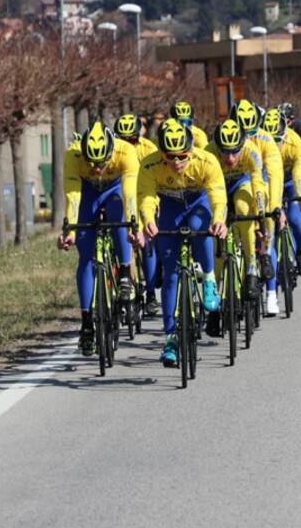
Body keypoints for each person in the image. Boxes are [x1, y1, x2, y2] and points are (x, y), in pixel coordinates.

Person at [138, 119, 227, 367]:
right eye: (171, 157)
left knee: (201, 228)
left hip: (198, 203)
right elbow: (145, 197)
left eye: (182, 156)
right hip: (169, 207)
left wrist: (219, 220)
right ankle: (170, 338)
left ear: (190, 150)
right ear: (161, 153)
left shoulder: (206, 161)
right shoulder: (150, 164)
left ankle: (208, 278)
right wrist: (147, 219)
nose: (177, 162)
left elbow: (218, 196)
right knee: (171, 275)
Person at [58, 121, 139, 357]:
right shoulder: (73, 156)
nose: (97, 168)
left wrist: (134, 225)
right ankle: (86, 323)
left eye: (102, 163)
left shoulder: (126, 152)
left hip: (115, 190)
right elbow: (73, 197)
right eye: (92, 163)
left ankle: (124, 273)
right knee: (85, 257)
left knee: (120, 215)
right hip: (88, 193)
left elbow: (130, 195)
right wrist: (69, 231)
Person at [205, 118, 266, 335]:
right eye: (225, 152)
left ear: (242, 146)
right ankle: (213, 306)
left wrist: (260, 214)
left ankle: (250, 265)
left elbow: (259, 184)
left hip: (241, 183)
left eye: (234, 152)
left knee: (243, 207)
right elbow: (204, 189)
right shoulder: (209, 152)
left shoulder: (252, 151)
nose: (230, 158)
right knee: (217, 244)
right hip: (216, 186)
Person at [231, 98, 285, 316]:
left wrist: (275, 208)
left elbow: (274, 175)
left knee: (267, 237)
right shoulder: (231, 138)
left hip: (262, 181)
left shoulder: (266, 140)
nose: (249, 135)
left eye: (252, 130)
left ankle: (272, 294)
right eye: (245, 131)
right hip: (238, 182)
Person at [115, 113, 159, 315]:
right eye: (122, 140)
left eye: (131, 139)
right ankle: (126, 286)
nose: (127, 144)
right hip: (123, 197)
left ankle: (150, 293)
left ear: (138, 137)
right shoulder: (114, 151)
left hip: (144, 197)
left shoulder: (149, 149)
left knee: (146, 243)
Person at [263, 107, 301, 277]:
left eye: (277, 139)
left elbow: (299, 177)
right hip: (270, 181)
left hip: (290, 181)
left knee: (294, 217)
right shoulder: (259, 143)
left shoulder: (295, 143)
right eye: (269, 139)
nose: (274, 145)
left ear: (285, 133)